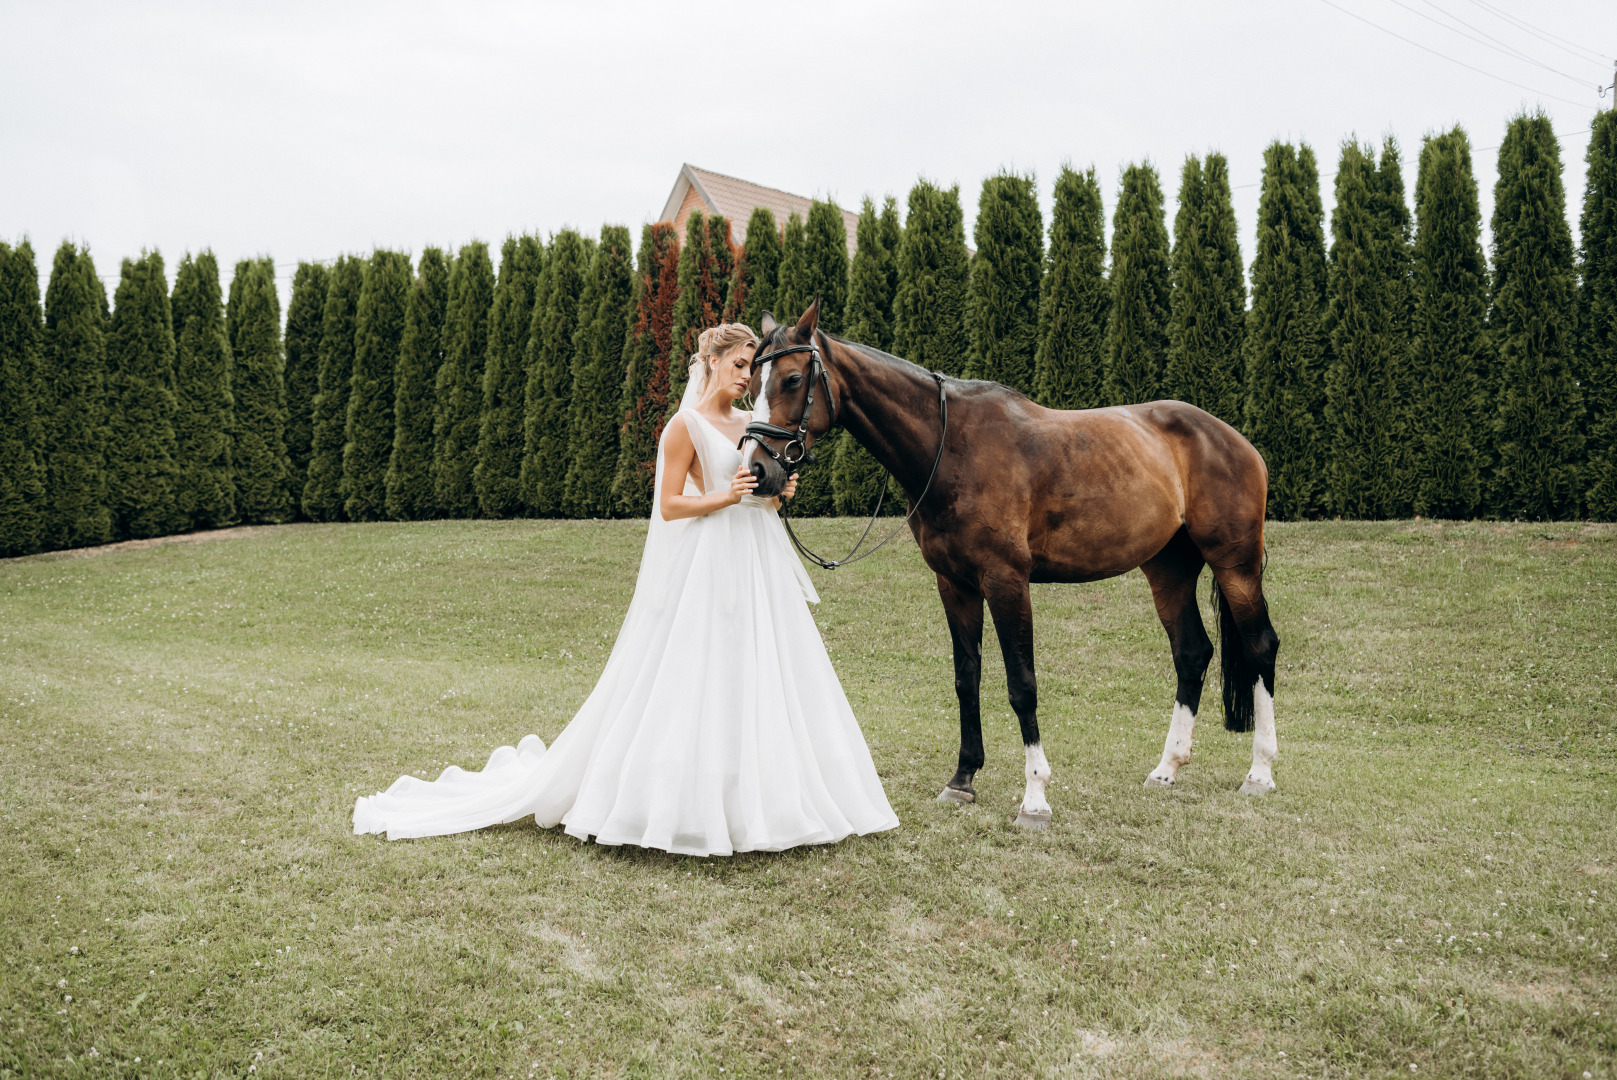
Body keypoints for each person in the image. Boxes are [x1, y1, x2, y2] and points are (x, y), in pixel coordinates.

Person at [353, 323, 899, 856]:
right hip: (709, 559)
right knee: (699, 671)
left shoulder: (753, 422)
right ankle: (680, 797)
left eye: (750, 369)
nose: (746, 379)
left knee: (757, 667)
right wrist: (726, 497)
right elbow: (669, 506)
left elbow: (761, 494)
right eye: (738, 366)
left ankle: (760, 795)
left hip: (755, 557)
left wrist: (779, 491)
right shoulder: (683, 427)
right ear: (712, 361)